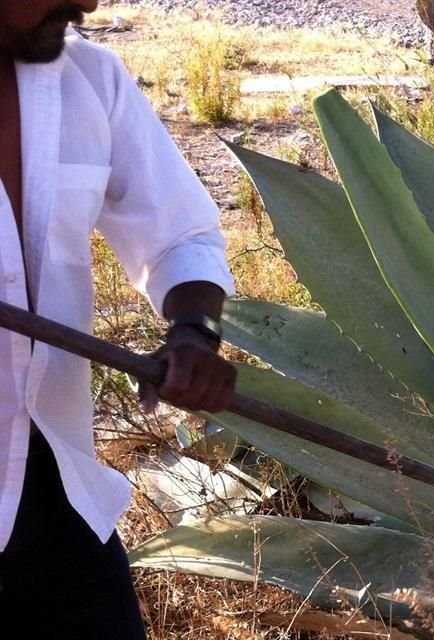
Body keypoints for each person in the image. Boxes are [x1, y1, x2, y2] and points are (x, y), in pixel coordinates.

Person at [0, 1, 238, 637]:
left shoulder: (92, 80)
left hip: (58, 491)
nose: (88, 2)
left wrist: (194, 333)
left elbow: (178, 233)